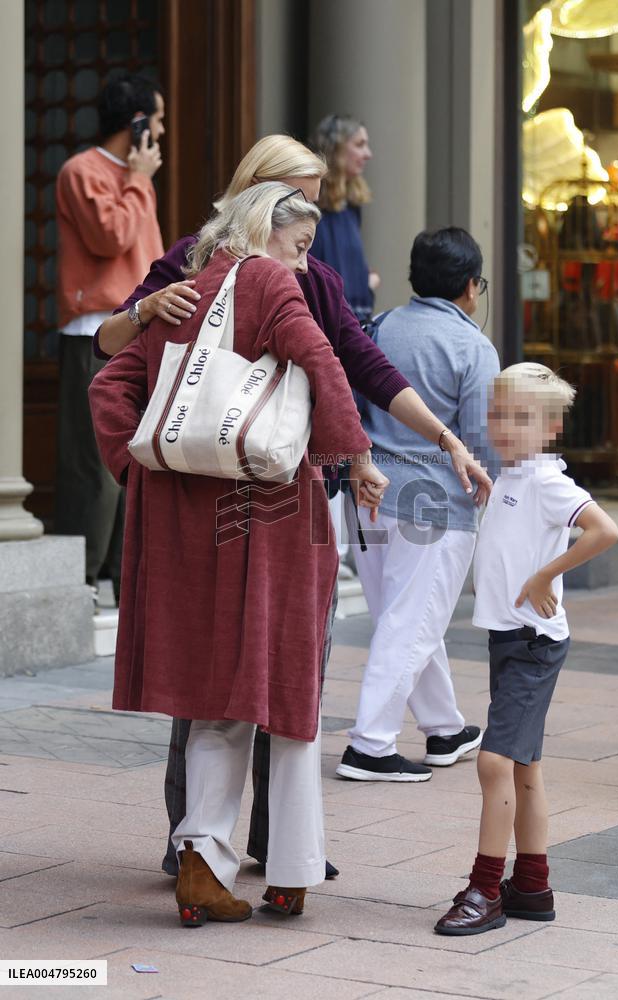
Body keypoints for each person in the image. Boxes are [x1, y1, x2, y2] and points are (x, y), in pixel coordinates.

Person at [93, 134, 492, 878]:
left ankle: (259, 847)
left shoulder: (308, 275)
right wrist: (147, 317)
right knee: (219, 677)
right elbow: (112, 355)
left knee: (276, 671)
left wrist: (421, 442)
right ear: (260, 195)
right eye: (300, 199)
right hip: (218, 502)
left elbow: (361, 364)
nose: (312, 214)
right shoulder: (196, 259)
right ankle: (206, 845)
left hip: (283, 494)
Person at [89, 182, 385, 926]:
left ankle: (202, 864)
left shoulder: (185, 293)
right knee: (286, 696)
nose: (305, 260)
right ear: (266, 230)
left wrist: (140, 471)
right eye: (302, 242)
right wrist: (357, 454)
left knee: (216, 701)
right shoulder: (268, 283)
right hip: (274, 515)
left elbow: (107, 389)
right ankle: (290, 872)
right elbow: (323, 362)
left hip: (189, 524)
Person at [434, 363, 618, 936]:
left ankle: (486, 889)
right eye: (498, 414)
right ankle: (532, 887)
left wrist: (545, 577)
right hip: (510, 639)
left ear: (550, 428)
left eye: (521, 418)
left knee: (493, 764)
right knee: (524, 770)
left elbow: (604, 530)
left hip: (533, 643)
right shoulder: (515, 475)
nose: (505, 426)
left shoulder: (545, 480)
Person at [337, 228, 500, 783]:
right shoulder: (472, 347)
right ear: (471, 287)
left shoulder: (381, 326)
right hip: (437, 505)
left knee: (401, 617)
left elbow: (350, 404)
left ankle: (444, 728)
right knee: (414, 622)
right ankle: (369, 744)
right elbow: (481, 441)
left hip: (371, 492)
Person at [54, 72, 165, 602]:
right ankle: (85, 579)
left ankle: (126, 580)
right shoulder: (82, 172)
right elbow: (110, 238)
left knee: (135, 453)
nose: (162, 133)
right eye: (158, 120)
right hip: (93, 330)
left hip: (140, 329)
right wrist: (138, 180)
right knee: (92, 460)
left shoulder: (135, 178)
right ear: (138, 122)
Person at [309, 114, 379, 325]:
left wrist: (366, 283)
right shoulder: (308, 207)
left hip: (355, 321)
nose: (368, 154)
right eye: (359, 145)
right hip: (324, 324)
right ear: (335, 149)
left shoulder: (352, 206)